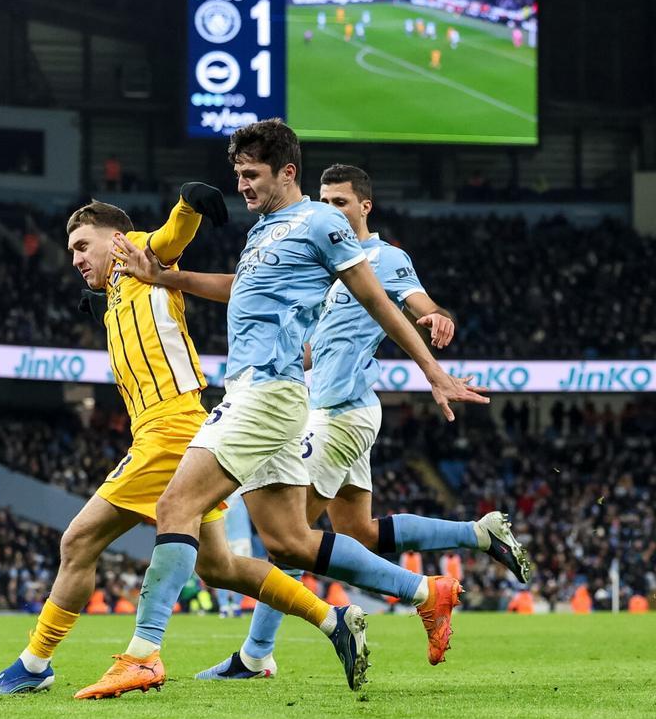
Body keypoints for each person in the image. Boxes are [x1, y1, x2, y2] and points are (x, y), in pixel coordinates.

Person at [80, 120, 488, 699]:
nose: (242, 185)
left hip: (265, 393)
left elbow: (376, 299)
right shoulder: (265, 229)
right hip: (264, 395)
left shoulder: (322, 222)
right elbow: (238, 287)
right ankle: (426, 592)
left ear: (287, 171)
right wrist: (167, 277)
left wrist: (432, 370)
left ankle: (142, 656)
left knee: (176, 505)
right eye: (238, 174)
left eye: (252, 174)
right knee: (290, 542)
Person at [0, 184, 371, 698]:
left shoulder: (139, 252)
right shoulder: (117, 296)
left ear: (116, 239)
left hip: (169, 430)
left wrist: (187, 204)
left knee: (78, 541)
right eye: (71, 251)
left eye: (82, 246)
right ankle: (334, 620)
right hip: (177, 429)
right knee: (219, 567)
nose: (74, 259)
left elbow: (169, 239)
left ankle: (35, 664)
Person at [193, 164, 532, 680]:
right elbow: (318, 344)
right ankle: (478, 533)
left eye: (341, 202)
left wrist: (437, 318)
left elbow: (421, 303)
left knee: (291, 535)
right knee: (358, 532)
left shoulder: (384, 258)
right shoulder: (322, 261)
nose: (330, 210)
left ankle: (256, 654)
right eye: (324, 201)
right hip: (331, 408)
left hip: (339, 414)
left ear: (364, 206)